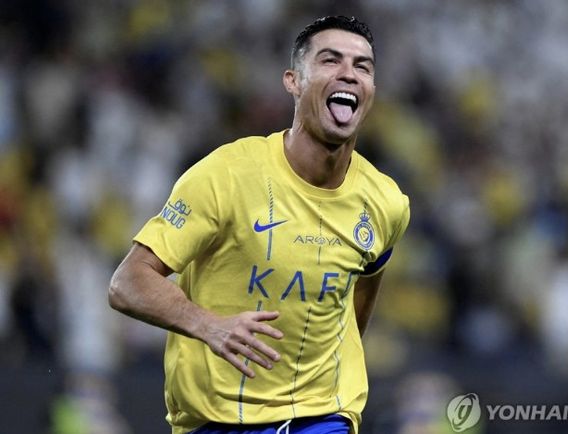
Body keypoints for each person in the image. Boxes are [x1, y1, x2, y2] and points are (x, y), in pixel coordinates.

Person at [109, 15, 410, 434]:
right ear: (293, 81)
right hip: (215, 419)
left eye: (363, 66)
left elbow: (359, 301)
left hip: (321, 416)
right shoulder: (226, 175)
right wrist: (207, 325)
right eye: (330, 60)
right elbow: (127, 283)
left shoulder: (385, 203)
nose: (349, 73)